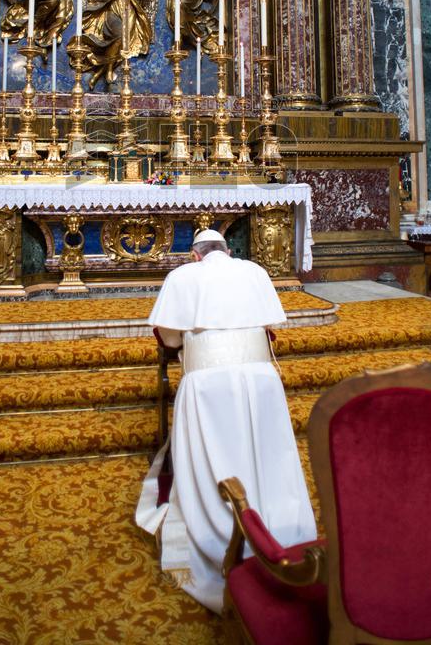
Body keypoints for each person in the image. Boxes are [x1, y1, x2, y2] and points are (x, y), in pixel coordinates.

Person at [135, 229, 317, 614]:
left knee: (214, 456)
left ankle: (219, 533)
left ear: (195, 256)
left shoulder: (182, 277)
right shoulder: (254, 272)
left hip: (207, 384)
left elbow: (168, 339)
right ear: (227, 251)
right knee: (266, 455)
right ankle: (281, 527)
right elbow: (271, 325)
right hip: (261, 381)